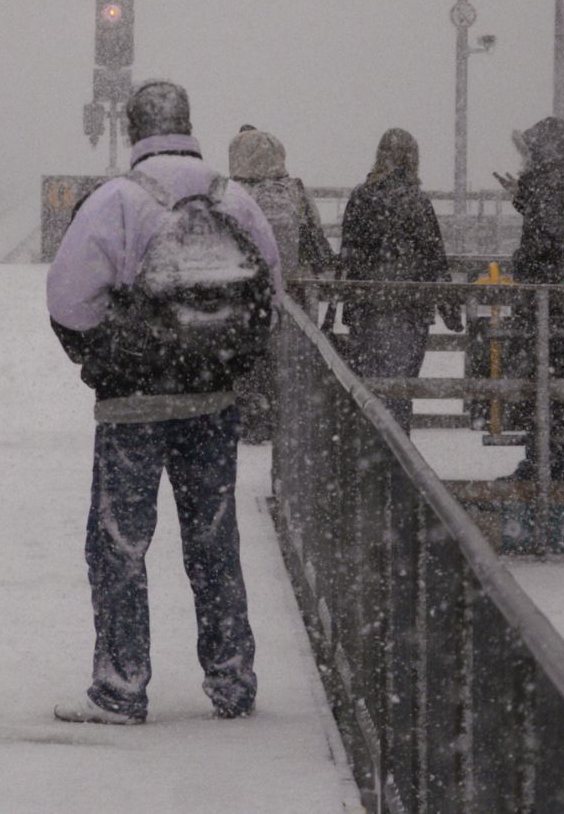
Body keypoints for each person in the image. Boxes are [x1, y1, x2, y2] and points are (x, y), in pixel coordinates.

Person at [45, 80, 283, 725]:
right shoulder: (232, 197)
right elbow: (271, 292)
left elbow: (68, 301)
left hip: (134, 408)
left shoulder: (118, 200)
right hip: (212, 400)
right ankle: (232, 680)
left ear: (133, 130)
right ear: (188, 124)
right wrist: (221, 354)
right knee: (213, 537)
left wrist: (109, 355)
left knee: (120, 543)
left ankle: (120, 687)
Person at [493, 116, 564, 484]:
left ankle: (541, 465)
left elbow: (550, 233)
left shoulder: (549, 181)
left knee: (539, 382)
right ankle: (554, 464)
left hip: (543, 297)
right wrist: (523, 196)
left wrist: (524, 261)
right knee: (557, 385)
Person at [338, 128, 459, 433]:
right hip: (409, 308)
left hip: (367, 306)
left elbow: (349, 254)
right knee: (400, 389)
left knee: (370, 387)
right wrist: (450, 307)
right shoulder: (416, 201)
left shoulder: (361, 196)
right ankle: (398, 459)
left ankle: (371, 454)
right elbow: (434, 256)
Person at [228, 128, 336, 442]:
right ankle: (282, 422)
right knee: (287, 362)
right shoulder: (295, 192)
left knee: (248, 361)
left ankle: (249, 420)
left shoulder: (230, 194)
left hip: (244, 298)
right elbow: (318, 247)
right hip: (291, 296)